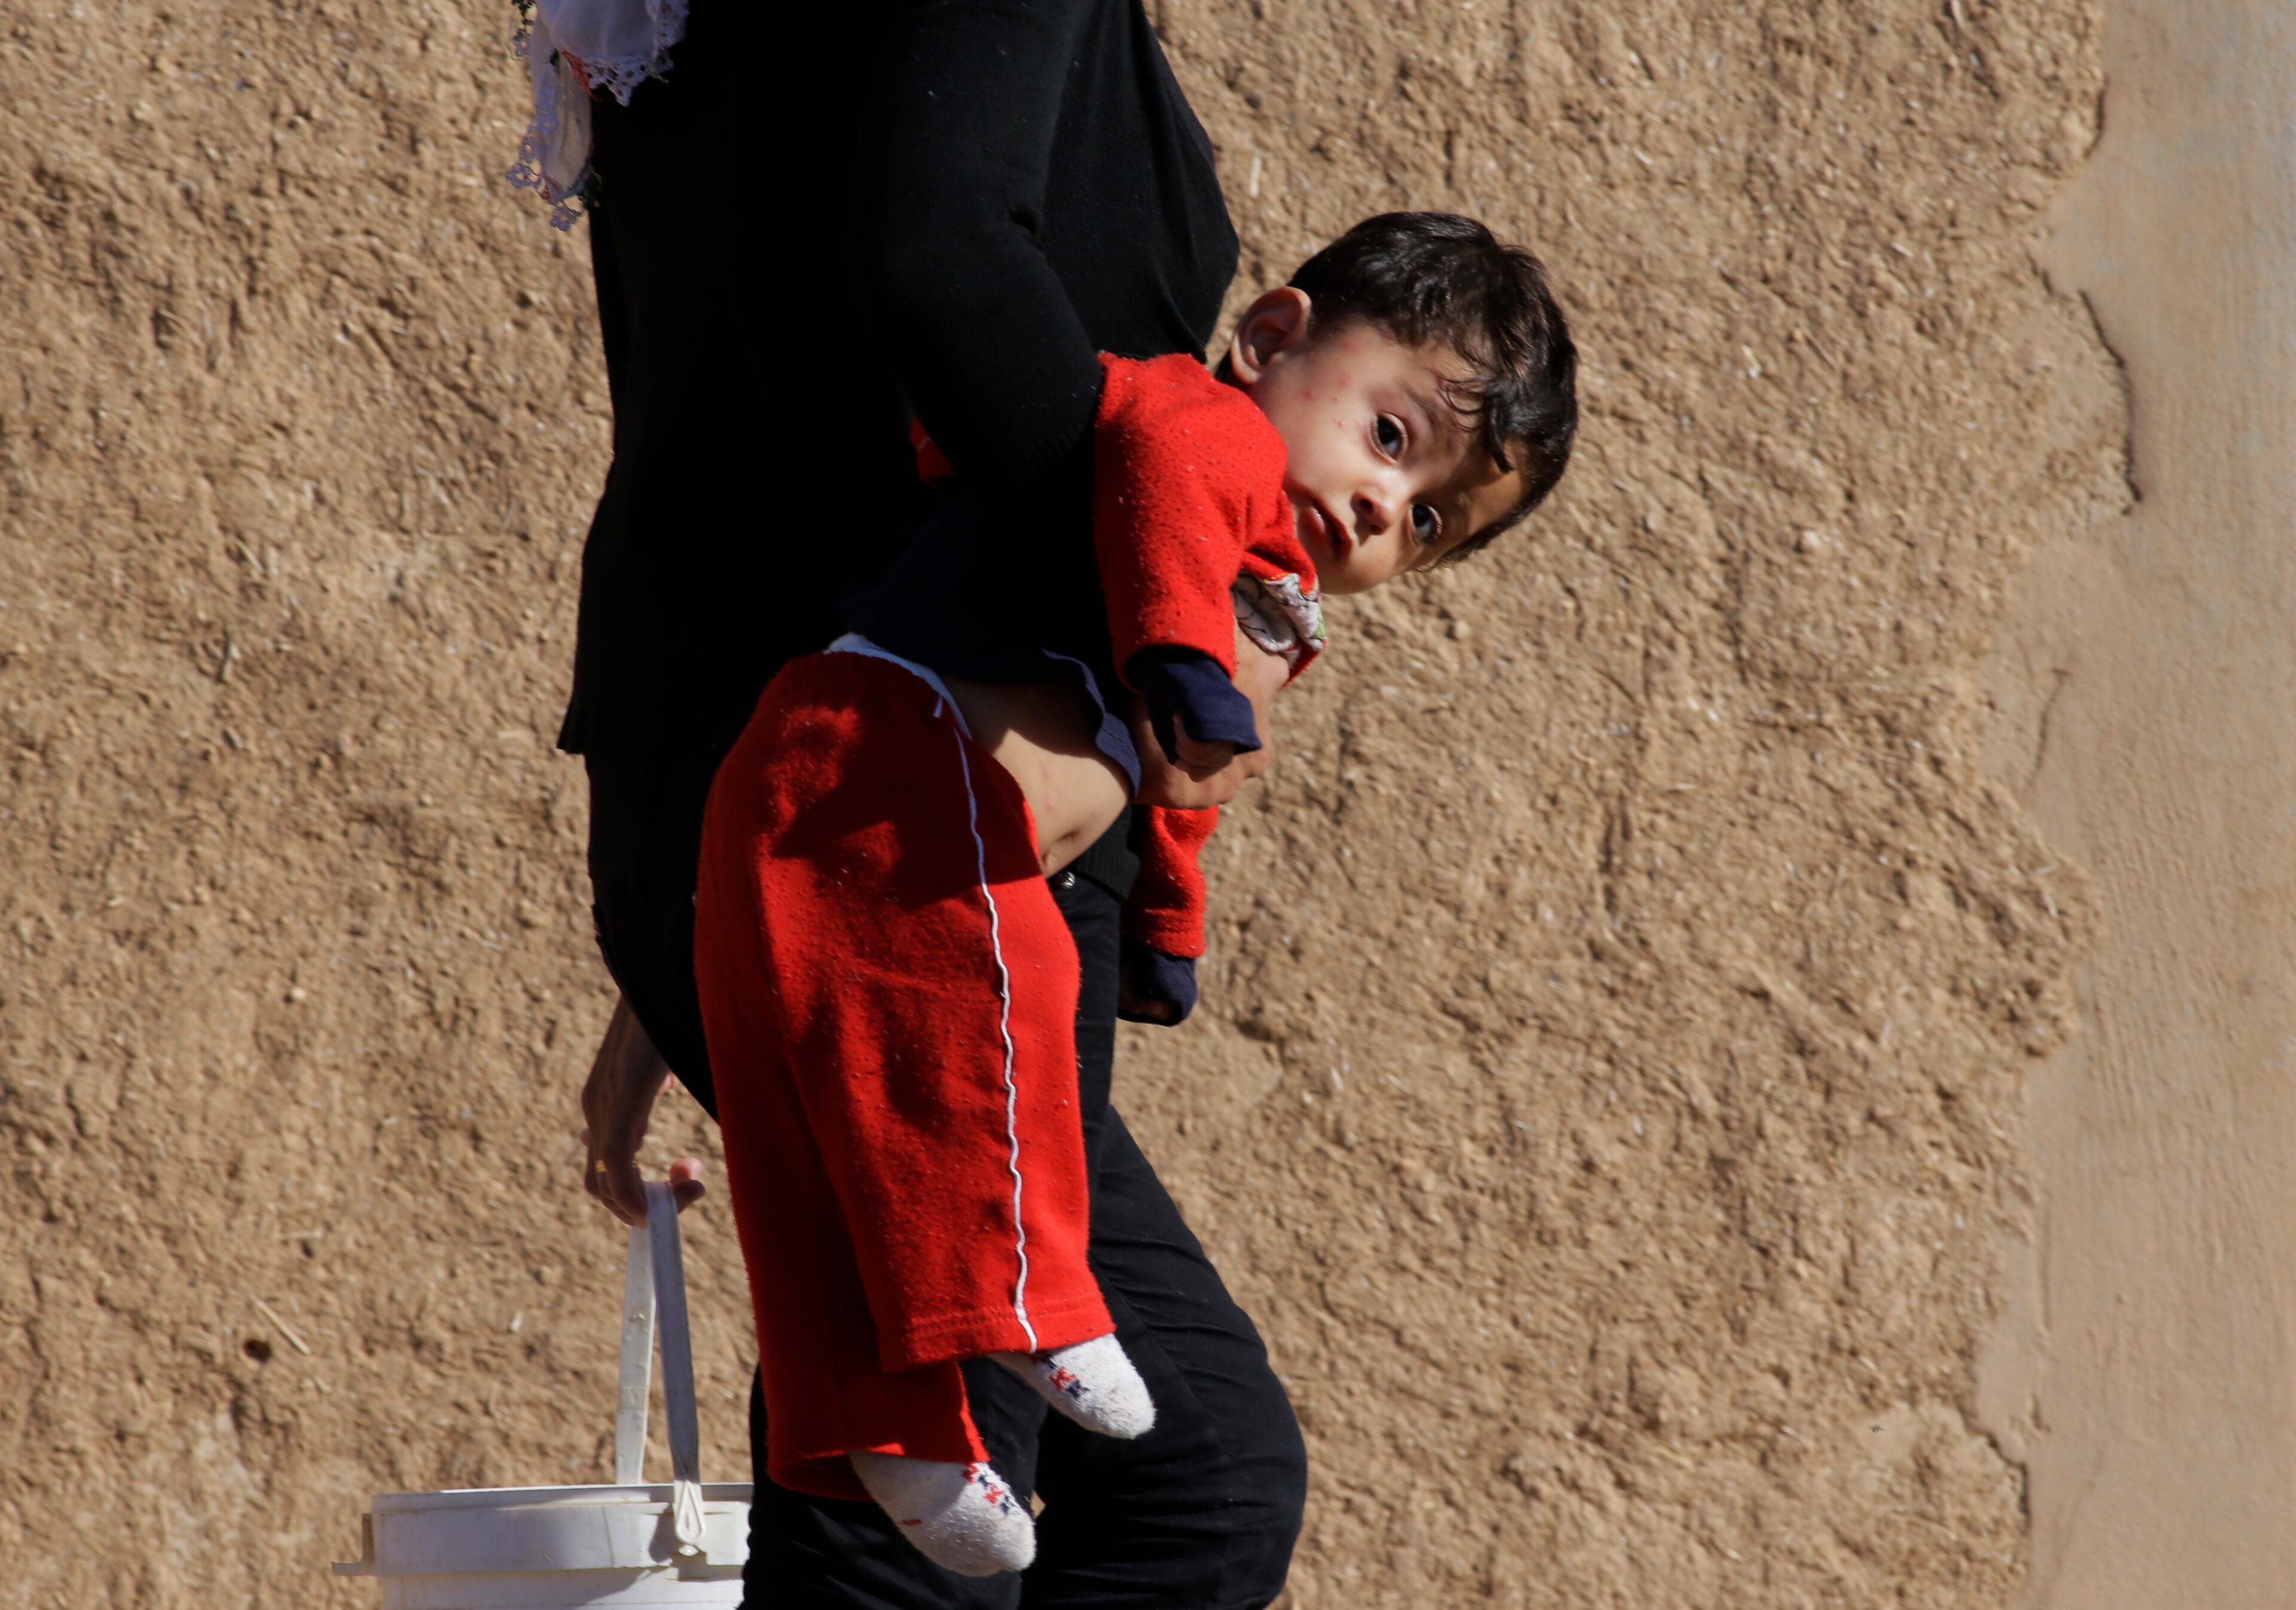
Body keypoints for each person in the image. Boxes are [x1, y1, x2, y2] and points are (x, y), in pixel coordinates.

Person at [536, 1, 1308, 1602]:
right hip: (906, 815)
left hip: (816, 796)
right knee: (1043, 1481)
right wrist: (1146, 604)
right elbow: (940, 262)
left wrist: (699, 928)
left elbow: (744, 406)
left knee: (1093, 1465)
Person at [692, 213, 1579, 1575]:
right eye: (1393, 441)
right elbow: (1164, 497)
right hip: (884, 787)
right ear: (1271, 337)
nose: (1385, 511)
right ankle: (1030, 1304)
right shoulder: (1195, 423)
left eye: (1433, 520)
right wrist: (1185, 663)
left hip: (870, 838)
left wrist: (1170, 923)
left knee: (818, 1203)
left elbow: (1177, 801)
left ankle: (893, 1436)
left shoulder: (1271, 590)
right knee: (1006, 1028)